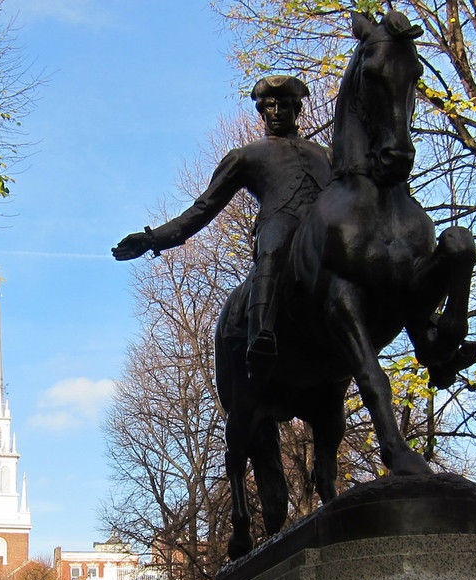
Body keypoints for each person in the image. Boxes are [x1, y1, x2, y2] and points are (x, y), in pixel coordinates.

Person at [113, 75, 332, 377]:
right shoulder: (246, 156)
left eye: (284, 105)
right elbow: (203, 208)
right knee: (273, 246)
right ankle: (261, 333)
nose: (277, 112)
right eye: (270, 105)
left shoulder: (326, 154)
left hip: (325, 231)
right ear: (261, 111)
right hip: (281, 222)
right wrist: (153, 239)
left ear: (298, 109)